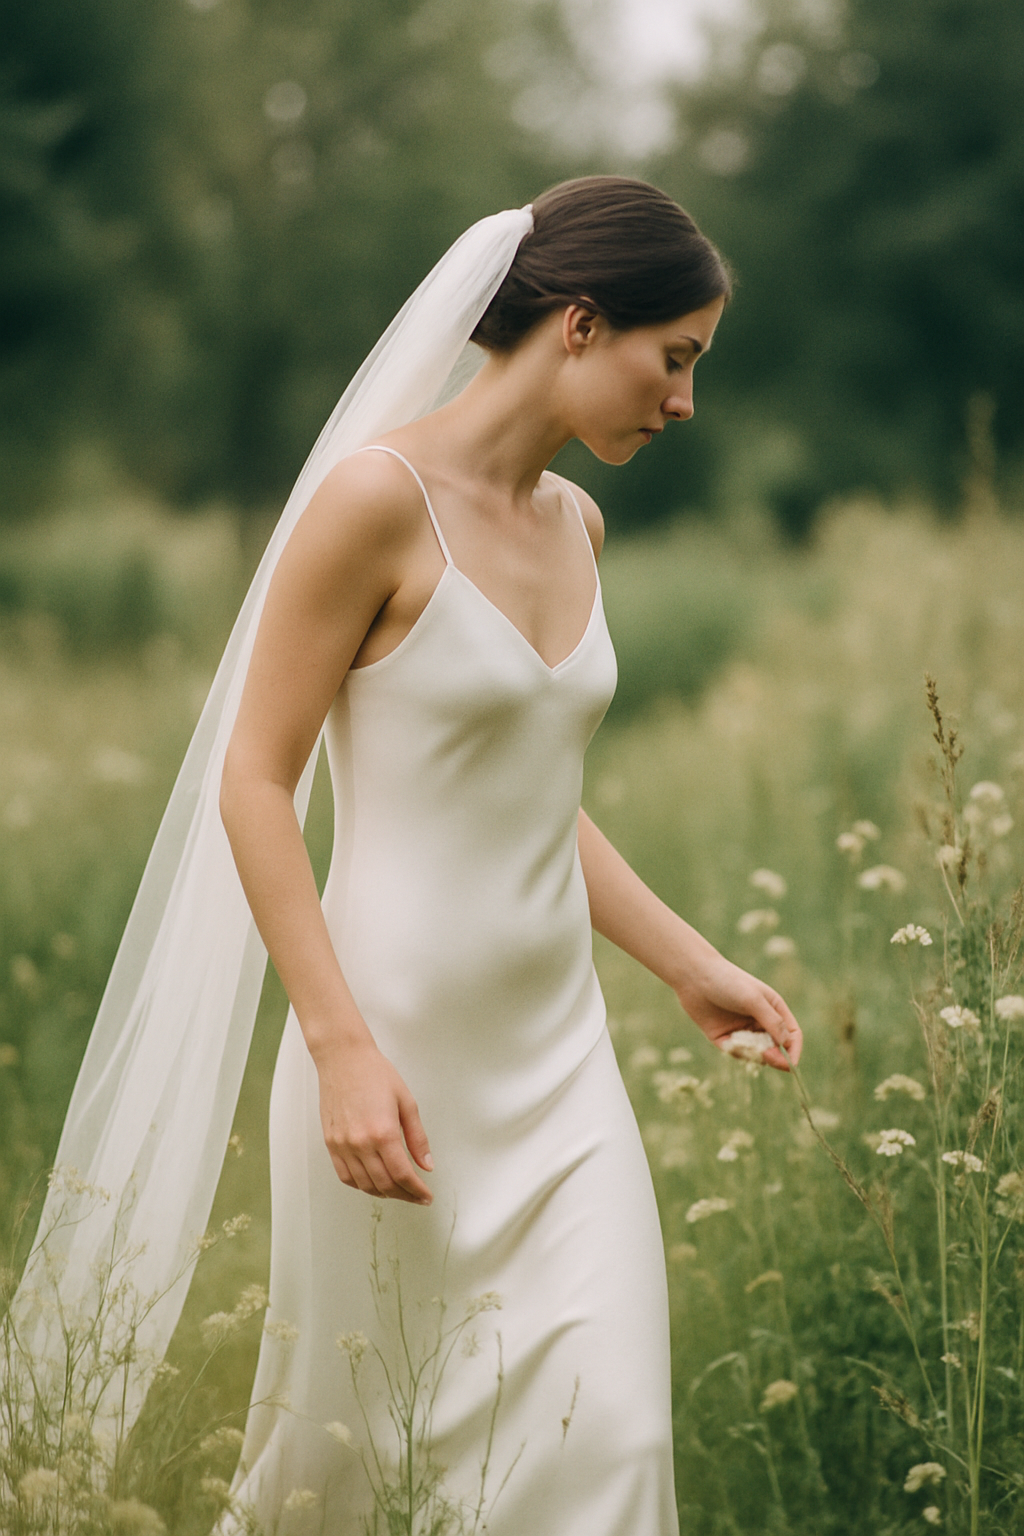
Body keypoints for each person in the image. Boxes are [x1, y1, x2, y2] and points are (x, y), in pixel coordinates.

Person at [213, 175, 802, 1535]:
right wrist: (338, 1046)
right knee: (352, 1474)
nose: (685, 401)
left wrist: (689, 964)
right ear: (583, 325)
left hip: (560, 1063)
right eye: (679, 357)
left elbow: (535, 798)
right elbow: (255, 781)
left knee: (611, 1443)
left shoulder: (579, 527)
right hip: (391, 1057)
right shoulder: (374, 501)